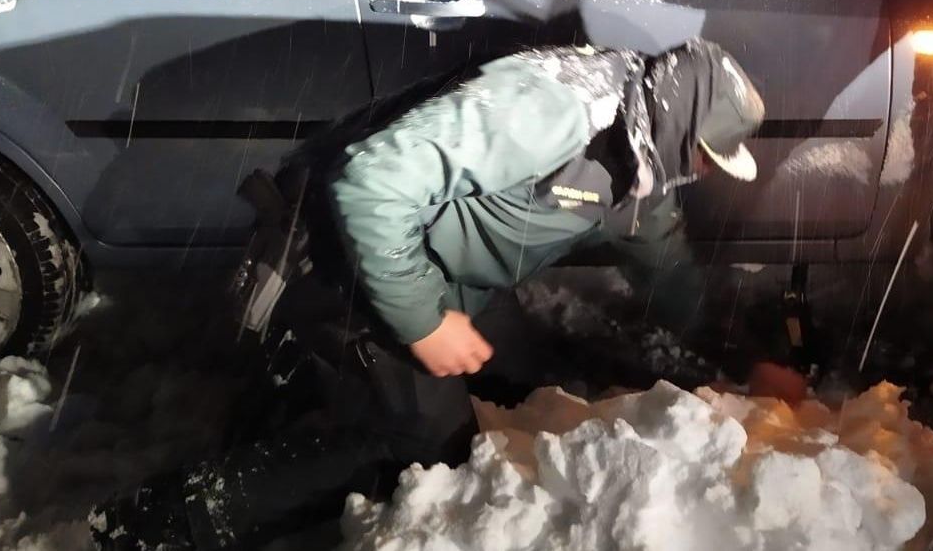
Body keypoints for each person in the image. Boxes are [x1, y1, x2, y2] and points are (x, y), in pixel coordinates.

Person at [91, 39, 766, 550]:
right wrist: (422, 323)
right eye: (707, 155)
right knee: (423, 444)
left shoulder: (645, 160)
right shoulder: (551, 110)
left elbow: (666, 263)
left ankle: (309, 375)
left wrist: (732, 351)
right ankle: (163, 519)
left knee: (511, 380)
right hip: (337, 252)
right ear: (681, 126)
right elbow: (370, 184)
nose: (704, 172)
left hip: (430, 264)